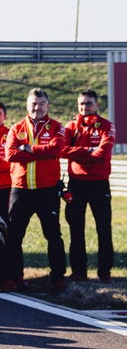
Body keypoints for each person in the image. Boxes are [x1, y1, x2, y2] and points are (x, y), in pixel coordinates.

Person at [3, 88, 68, 291]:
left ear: (47, 106)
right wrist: (40, 152)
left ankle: (58, 278)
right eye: (33, 103)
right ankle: (14, 277)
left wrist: (29, 149)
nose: (36, 107)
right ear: (27, 105)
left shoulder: (57, 127)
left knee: (53, 235)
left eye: (41, 103)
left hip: (47, 190)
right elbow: (10, 155)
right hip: (20, 189)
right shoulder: (16, 128)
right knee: (14, 235)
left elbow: (57, 150)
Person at [61, 90, 115, 283]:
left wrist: (77, 153)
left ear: (97, 105)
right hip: (76, 183)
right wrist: (88, 150)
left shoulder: (107, 126)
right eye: (81, 104)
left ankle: (105, 272)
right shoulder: (71, 126)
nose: (85, 107)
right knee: (76, 229)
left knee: (104, 229)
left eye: (89, 103)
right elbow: (62, 150)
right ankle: (79, 272)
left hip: (99, 184)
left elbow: (103, 153)